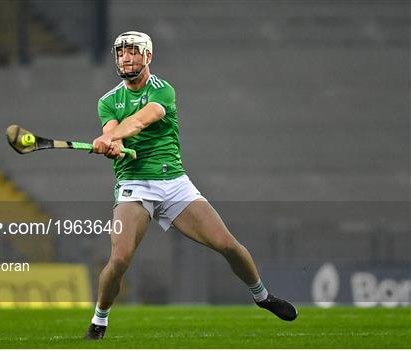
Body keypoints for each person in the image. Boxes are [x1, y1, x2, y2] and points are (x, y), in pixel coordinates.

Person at [86, 31, 297, 340]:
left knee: (227, 245)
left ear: (148, 57)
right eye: (121, 53)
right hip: (134, 184)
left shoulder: (163, 91)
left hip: (173, 183)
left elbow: (143, 120)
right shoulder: (108, 100)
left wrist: (112, 138)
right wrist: (111, 143)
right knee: (119, 258)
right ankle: (99, 321)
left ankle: (262, 296)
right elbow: (113, 128)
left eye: (133, 52)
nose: (126, 58)